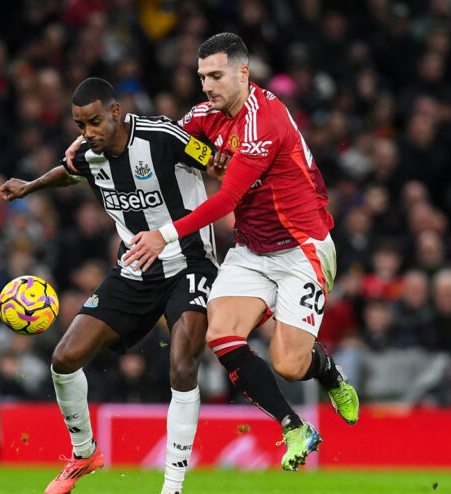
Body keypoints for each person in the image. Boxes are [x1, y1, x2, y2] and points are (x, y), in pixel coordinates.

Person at [118, 33, 360, 471]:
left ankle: (328, 372)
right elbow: (160, 138)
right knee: (221, 334)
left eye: (215, 76)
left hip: (302, 249)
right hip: (251, 249)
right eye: (201, 77)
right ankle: (294, 427)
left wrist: (163, 235)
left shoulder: (264, 122)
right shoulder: (205, 115)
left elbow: (227, 199)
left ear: (243, 73)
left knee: (289, 364)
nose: (207, 86)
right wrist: (97, 145)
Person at [0, 77, 223, 494]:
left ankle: (172, 492)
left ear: (116, 112)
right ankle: (84, 453)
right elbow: (71, 172)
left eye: (95, 122)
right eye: (80, 125)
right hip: (134, 269)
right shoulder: (89, 153)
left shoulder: (161, 136)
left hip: (190, 262)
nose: (88, 132)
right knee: (64, 359)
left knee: (182, 364)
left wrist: (224, 168)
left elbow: (214, 161)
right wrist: (29, 186)